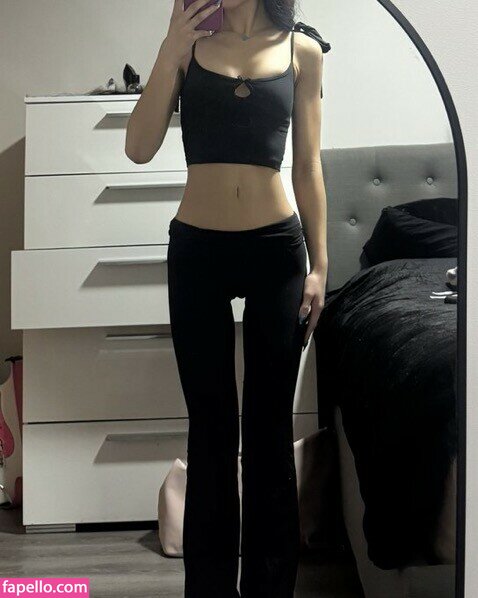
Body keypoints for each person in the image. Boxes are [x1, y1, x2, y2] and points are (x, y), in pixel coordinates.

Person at [125, 1, 330, 596]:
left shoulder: (301, 50)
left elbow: (308, 166)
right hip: (198, 254)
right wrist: (168, 50)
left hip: (277, 254)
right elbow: (138, 148)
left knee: (268, 432)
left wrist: (321, 265)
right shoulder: (187, 47)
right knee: (211, 430)